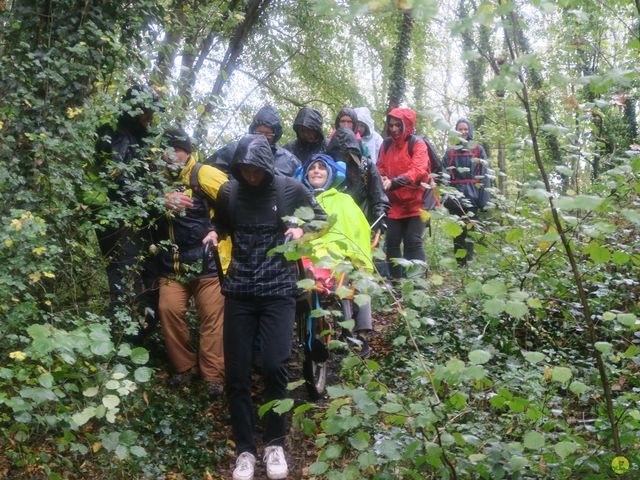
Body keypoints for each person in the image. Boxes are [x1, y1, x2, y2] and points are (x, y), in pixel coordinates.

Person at [202, 134, 326, 480]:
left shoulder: (289, 189)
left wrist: (301, 228)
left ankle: (274, 443)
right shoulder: (231, 191)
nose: (250, 175)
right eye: (243, 169)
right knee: (237, 375)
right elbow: (222, 221)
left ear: (266, 167)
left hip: (278, 292)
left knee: (274, 365)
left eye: (255, 169)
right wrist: (215, 233)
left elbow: (320, 217)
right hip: (240, 291)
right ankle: (244, 449)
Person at [156, 129, 227, 397]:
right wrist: (161, 200)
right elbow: (134, 202)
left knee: (212, 319)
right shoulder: (156, 181)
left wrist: (217, 231)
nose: (171, 155)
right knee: (168, 310)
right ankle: (184, 368)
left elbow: (235, 201)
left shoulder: (203, 174)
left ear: (187, 150)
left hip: (207, 264)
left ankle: (213, 376)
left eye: (177, 149)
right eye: (167, 150)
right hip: (172, 265)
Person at [92, 85, 164, 341]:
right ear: (135, 109)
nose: (150, 117)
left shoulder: (139, 136)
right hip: (118, 219)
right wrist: (151, 198)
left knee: (145, 275)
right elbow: (115, 178)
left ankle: (141, 337)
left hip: (136, 218)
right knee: (123, 278)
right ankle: (122, 341)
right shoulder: (114, 133)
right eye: (147, 111)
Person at [298, 153, 374, 356]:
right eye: (312, 167)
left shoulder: (343, 200)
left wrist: (351, 254)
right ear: (305, 175)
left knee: (350, 275)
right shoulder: (297, 199)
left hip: (337, 256)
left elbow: (357, 229)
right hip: (306, 255)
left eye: (322, 167)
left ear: (330, 173)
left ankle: (355, 334)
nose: (316, 171)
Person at [377, 108, 430, 279]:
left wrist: (394, 182)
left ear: (406, 125)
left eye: (398, 125)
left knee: (412, 241)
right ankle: (398, 283)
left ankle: (417, 284)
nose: (394, 129)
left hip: (418, 202)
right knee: (391, 243)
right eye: (391, 125)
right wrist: (383, 177)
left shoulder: (418, 144)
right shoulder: (386, 145)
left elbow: (418, 170)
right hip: (395, 204)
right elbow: (380, 168)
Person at [442, 118, 491, 266]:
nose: (463, 132)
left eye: (465, 129)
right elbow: (444, 174)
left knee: (470, 233)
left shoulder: (478, 149)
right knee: (457, 233)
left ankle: (468, 264)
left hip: (473, 198)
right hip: (455, 199)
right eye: (460, 129)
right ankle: (460, 264)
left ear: (469, 130)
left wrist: (484, 200)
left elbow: (485, 175)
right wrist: (445, 195)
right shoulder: (450, 152)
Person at [206, 105, 300, 177]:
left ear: (275, 136)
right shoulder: (234, 150)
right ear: (252, 132)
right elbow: (206, 170)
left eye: (268, 135)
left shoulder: (290, 161)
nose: (262, 138)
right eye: (259, 133)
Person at [326, 127, 389, 231]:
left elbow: (378, 195)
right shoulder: (325, 168)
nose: (344, 159)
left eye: (347, 155)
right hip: (332, 226)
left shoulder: (366, 166)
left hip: (363, 224)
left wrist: (380, 217)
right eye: (340, 155)